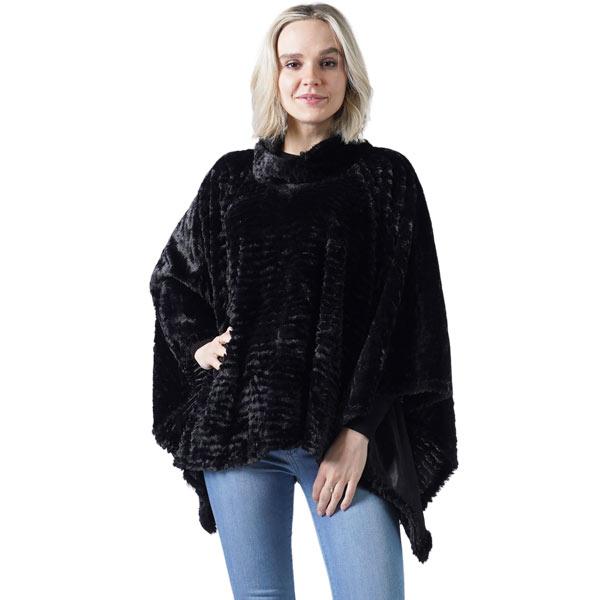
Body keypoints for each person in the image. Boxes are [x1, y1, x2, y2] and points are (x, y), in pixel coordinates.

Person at [149, 4, 458, 599]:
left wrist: (358, 432)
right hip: (240, 432)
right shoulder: (231, 178)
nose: (310, 78)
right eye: (293, 63)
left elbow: (411, 319)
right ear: (274, 75)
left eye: (327, 62)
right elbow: (173, 277)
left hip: (341, 435)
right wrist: (196, 343)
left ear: (348, 74)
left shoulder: (385, 178)